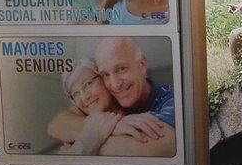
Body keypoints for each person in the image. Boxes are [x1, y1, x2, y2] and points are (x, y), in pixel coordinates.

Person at [46, 57, 175, 157]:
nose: (84, 97)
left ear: (104, 78)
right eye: (75, 94)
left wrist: (83, 147)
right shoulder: (80, 115)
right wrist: (112, 126)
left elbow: (162, 147)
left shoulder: (133, 106)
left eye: (88, 84)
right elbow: (54, 126)